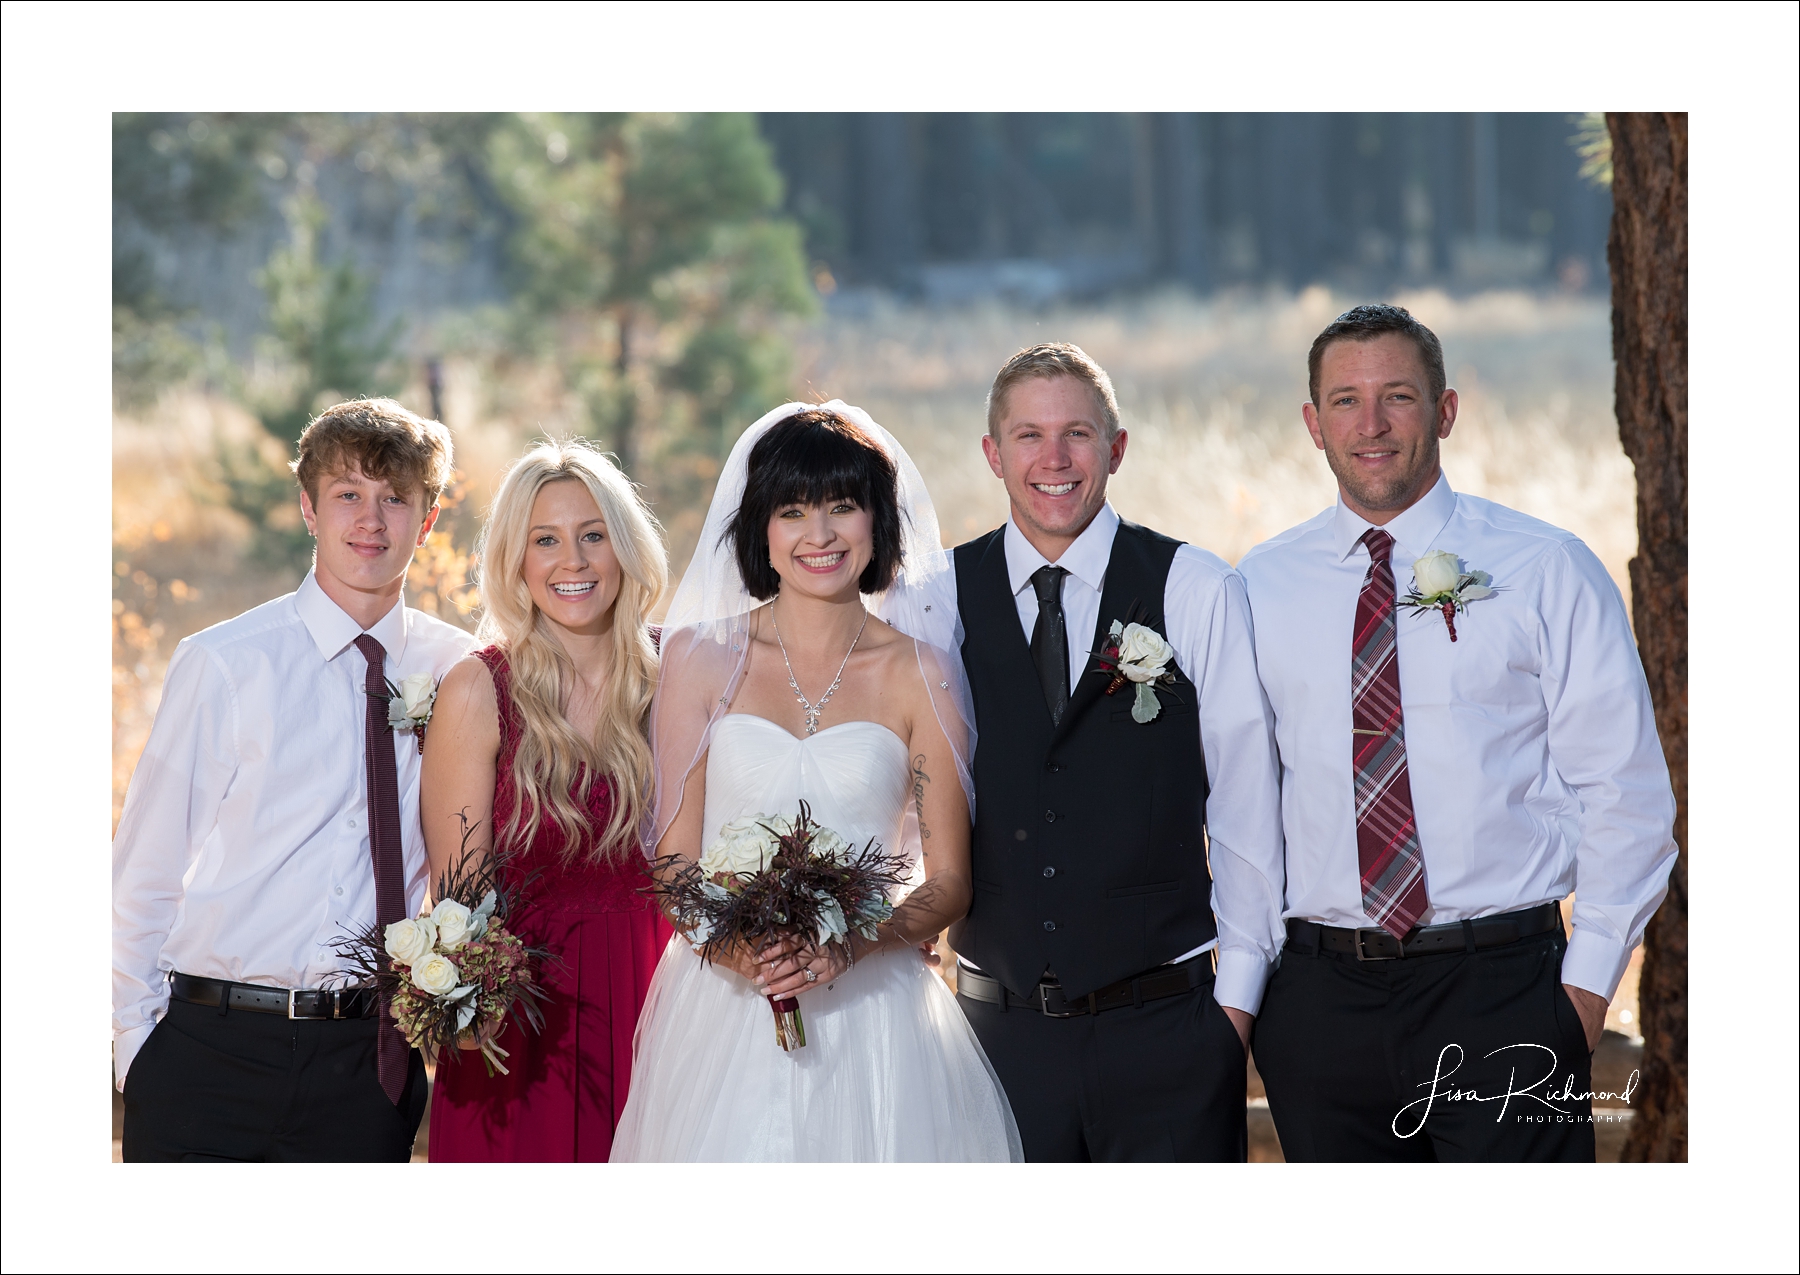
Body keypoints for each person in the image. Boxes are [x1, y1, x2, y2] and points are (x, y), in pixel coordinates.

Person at [1239, 303, 1678, 1162]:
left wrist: (1579, 1002)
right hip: (1321, 1002)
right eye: (1345, 401)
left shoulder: (1543, 567)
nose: (1371, 425)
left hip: (1503, 990)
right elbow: (1243, 808)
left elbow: (1626, 796)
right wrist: (1259, 1001)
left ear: (1444, 410)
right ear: (1311, 423)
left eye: (1397, 396)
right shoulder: (1260, 585)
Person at [885, 343, 1286, 1162]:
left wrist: (1231, 1018)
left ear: (1117, 448)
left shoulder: (1196, 588)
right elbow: (894, 789)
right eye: (1028, 435)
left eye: (1077, 433)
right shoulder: (933, 597)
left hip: (1171, 1034)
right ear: (993, 454)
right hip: (992, 1042)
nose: (1054, 458)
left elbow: (1250, 810)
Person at [610, 403, 1021, 1162]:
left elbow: (950, 881)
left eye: (843, 506)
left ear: (877, 522)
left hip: (877, 1013)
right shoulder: (700, 657)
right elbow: (673, 865)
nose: (820, 534)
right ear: (762, 529)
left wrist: (851, 944)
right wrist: (747, 954)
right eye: (793, 510)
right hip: (723, 1006)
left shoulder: (920, 672)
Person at [113, 398, 473, 1161]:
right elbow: (144, 868)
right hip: (208, 1053)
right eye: (348, 494)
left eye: (395, 497)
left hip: (369, 1062)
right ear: (308, 508)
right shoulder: (225, 661)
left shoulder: (462, 671)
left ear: (430, 518)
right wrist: (136, 1050)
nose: (370, 520)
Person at [422, 440, 672, 1161]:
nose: (575, 561)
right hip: (521, 1021)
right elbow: (456, 898)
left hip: (661, 1009)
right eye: (546, 540)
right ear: (516, 561)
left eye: (595, 534)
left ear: (626, 548)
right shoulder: (478, 689)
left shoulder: (678, 674)